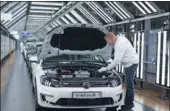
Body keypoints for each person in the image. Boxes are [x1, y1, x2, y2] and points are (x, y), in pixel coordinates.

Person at [98, 32, 139, 111]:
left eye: (108, 41)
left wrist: (106, 68)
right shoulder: (119, 40)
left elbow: (117, 61)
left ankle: (128, 106)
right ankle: (129, 104)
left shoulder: (120, 44)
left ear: (111, 39)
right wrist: (110, 60)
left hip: (131, 64)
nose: (108, 44)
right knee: (129, 85)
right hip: (130, 62)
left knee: (129, 86)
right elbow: (116, 56)